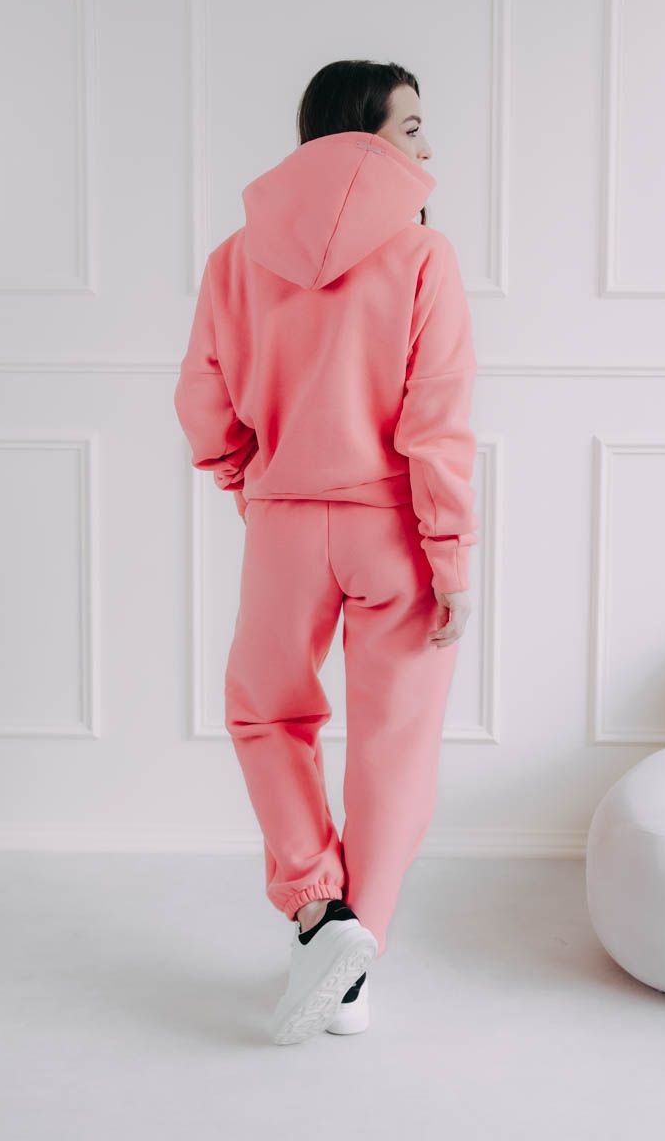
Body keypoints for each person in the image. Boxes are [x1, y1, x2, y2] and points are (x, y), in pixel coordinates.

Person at [173, 59, 478, 1044]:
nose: (428, 147)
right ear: (363, 135)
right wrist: (451, 557)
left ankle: (320, 914)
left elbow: (204, 400)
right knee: (395, 747)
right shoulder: (423, 255)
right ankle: (354, 962)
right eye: (412, 127)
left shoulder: (236, 256)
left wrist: (246, 480)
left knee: (265, 716)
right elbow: (438, 422)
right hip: (395, 528)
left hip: (286, 527)